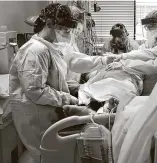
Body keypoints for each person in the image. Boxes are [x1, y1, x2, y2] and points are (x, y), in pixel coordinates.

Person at [9, 3, 115, 162]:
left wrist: (79, 89)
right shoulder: (35, 50)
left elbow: (56, 79)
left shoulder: (50, 48)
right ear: (49, 24)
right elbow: (35, 90)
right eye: (65, 30)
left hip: (49, 112)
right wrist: (69, 99)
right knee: (46, 154)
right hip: (37, 118)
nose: (67, 35)